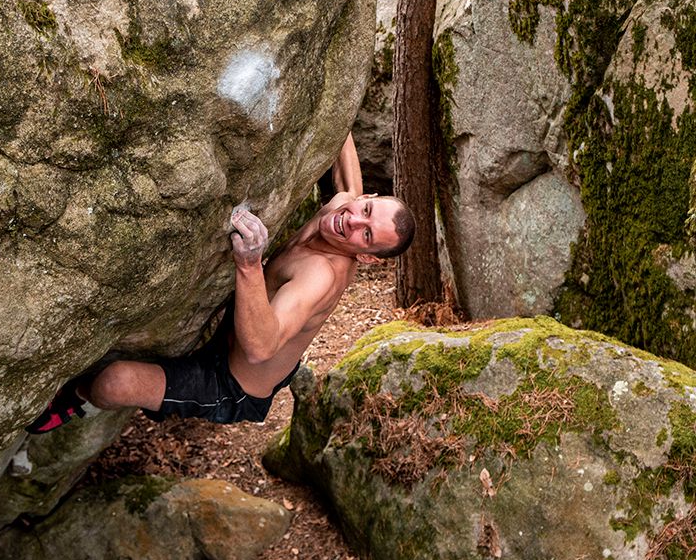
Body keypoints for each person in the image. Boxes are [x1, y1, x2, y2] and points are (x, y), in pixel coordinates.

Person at [26, 134, 415, 433]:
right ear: (371, 198)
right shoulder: (345, 205)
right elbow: (349, 173)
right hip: (248, 337)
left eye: (366, 235)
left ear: (365, 257)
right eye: (366, 211)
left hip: (230, 383)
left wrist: (249, 265)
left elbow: (261, 348)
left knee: (113, 383)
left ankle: (76, 402)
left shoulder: (321, 275)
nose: (353, 221)